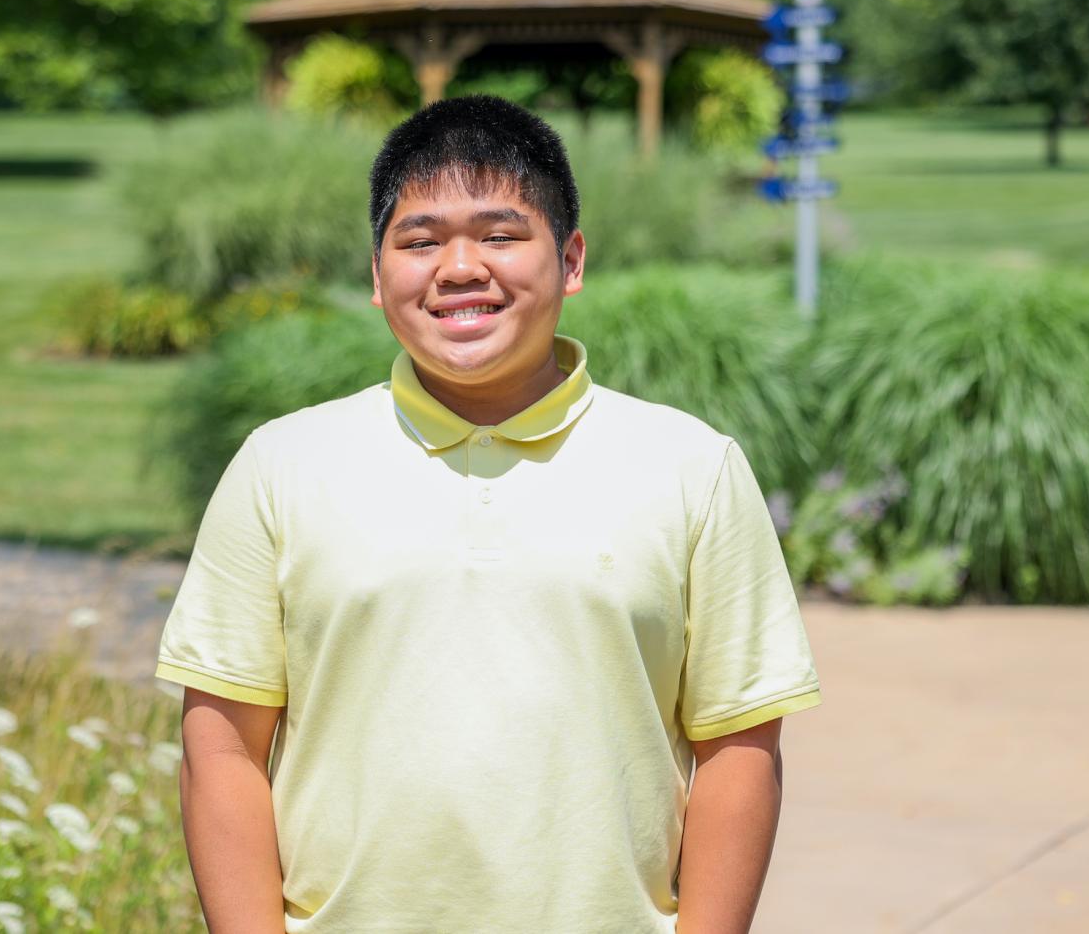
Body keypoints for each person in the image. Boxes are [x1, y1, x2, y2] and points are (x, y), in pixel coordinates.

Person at [155, 94, 823, 934]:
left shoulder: (692, 468)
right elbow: (221, 747)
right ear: (375, 273)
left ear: (571, 259)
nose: (460, 267)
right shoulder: (281, 467)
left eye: (501, 235)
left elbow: (739, 748)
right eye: (420, 240)